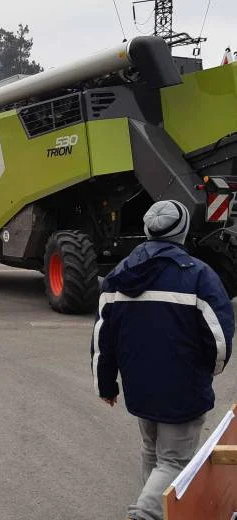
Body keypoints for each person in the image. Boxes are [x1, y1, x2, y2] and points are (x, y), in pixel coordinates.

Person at [91, 200, 235, 520]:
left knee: (152, 451)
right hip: (182, 388)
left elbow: (103, 338)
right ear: (182, 232)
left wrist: (106, 384)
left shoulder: (117, 277)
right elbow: (219, 338)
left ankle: (158, 511)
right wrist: (207, 372)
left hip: (139, 386)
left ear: (147, 230)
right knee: (173, 461)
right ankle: (145, 514)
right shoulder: (198, 276)